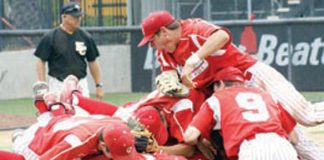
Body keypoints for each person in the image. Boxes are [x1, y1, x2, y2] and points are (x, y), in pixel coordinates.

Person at [137, 10, 324, 126]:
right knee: (287, 133)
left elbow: (221, 37)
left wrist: (193, 59)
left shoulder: (193, 28)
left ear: (163, 32)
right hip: (229, 92)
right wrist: (171, 82)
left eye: (151, 39)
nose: (150, 45)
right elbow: (169, 74)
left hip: (251, 74)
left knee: (307, 116)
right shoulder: (163, 53)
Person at [183, 67, 298, 159]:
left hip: (252, 149)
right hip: (283, 147)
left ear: (221, 84)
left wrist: (202, 144)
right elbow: (294, 138)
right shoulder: (266, 95)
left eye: (214, 87)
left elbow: (189, 136)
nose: (213, 91)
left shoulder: (217, 98)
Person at [34, 2, 104, 99]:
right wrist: (43, 84)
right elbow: (41, 61)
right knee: (59, 111)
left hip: (80, 83)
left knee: (83, 113)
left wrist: (98, 85)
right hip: (58, 84)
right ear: (64, 17)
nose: (78, 19)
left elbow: (92, 62)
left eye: (79, 17)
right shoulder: (51, 37)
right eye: (74, 17)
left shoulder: (86, 37)